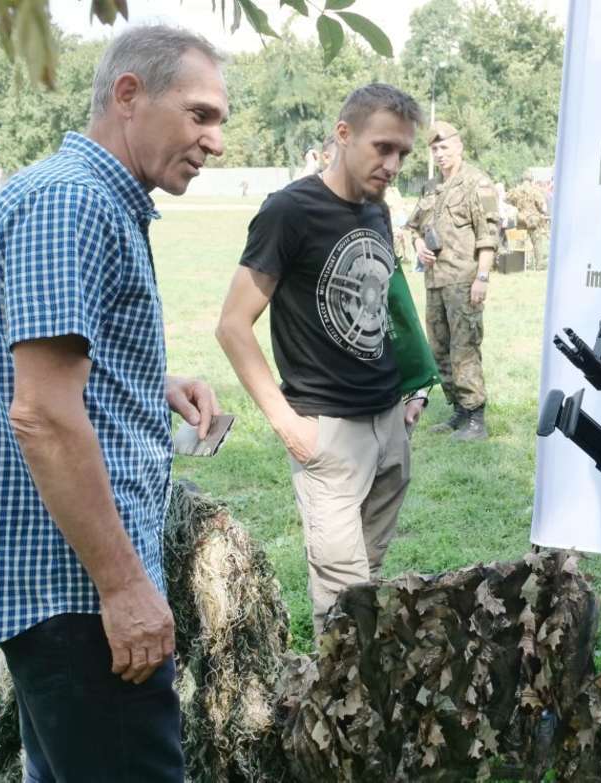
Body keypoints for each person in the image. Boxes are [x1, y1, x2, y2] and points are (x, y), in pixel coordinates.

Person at [0, 25, 227, 781]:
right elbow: (40, 414)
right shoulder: (73, 203)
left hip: (72, 590)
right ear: (128, 95)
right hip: (78, 593)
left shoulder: (81, 197)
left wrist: (151, 386)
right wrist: (125, 585)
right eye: (200, 114)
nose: (216, 141)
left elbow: (48, 374)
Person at [216, 84, 426, 639]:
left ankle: (368, 704)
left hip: (389, 426)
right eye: (383, 147)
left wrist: (410, 392)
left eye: (403, 152)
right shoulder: (290, 210)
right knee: (342, 599)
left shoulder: (378, 211)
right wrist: (287, 423)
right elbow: (233, 326)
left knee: (370, 581)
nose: (394, 164)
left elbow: (383, 308)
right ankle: (341, 714)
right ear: (343, 134)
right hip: (328, 434)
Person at [406, 121, 500, 441]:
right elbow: (413, 227)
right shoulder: (431, 187)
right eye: (434, 149)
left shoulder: (477, 183)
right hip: (435, 281)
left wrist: (482, 278)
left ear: (459, 147)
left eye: (444, 147)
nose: (439, 154)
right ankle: (458, 410)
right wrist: (418, 245)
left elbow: (489, 236)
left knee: (465, 349)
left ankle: (476, 418)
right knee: (439, 349)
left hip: (464, 280)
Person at [508, 173, 550, 269]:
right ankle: (539, 265)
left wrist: (517, 205)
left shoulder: (516, 190)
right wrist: (542, 212)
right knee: (537, 241)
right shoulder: (535, 191)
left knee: (520, 241)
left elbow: (506, 199)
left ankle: (517, 264)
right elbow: (540, 204)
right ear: (531, 179)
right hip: (533, 219)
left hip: (521, 218)